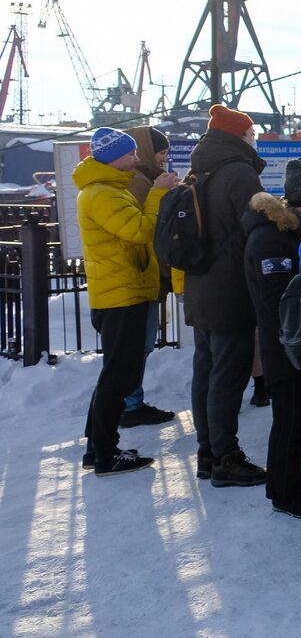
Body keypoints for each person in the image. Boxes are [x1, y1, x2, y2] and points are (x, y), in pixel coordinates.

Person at [75, 127, 178, 476]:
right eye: (131, 154)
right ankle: (105, 454)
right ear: (113, 156)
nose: (137, 159)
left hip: (122, 292)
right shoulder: (102, 194)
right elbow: (140, 230)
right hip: (122, 295)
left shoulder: (107, 190)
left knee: (115, 375)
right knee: (118, 378)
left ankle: (97, 447)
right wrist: (158, 194)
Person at [183, 105, 268, 488]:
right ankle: (225, 458)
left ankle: (208, 452)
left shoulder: (200, 170)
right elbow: (258, 227)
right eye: (251, 134)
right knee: (229, 376)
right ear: (239, 137)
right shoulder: (238, 172)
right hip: (231, 289)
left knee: (206, 371)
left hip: (200, 287)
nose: (255, 139)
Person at [241, 158, 301, 518]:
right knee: (291, 424)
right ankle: (284, 492)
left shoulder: (296, 231)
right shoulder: (271, 239)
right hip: (287, 349)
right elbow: (280, 301)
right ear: (299, 201)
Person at [116, 125, 176, 428]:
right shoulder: (140, 182)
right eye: (160, 152)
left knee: (138, 344)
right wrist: (162, 193)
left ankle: (129, 401)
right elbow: (144, 227)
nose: (164, 158)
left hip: (142, 274)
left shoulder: (143, 178)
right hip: (139, 276)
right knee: (138, 344)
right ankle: (130, 403)